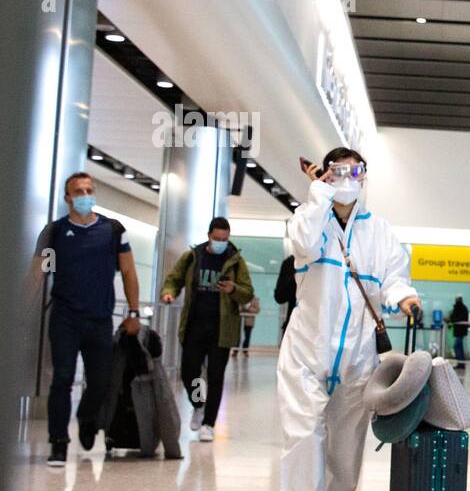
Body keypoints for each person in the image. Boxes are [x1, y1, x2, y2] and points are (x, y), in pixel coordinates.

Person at [278, 148, 421, 491]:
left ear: (365, 177)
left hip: (359, 356)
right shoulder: (310, 219)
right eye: (338, 171)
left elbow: (394, 276)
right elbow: (300, 242)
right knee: (303, 434)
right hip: (307, 348)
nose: (347, 178)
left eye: (355, 170)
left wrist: (405, 297)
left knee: (346, 443)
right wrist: (317, 194)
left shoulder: (379, 231)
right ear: (324, 176)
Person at [34, 172, 142, 465]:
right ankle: (58, 441)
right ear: (68, 198)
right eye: (78, 191)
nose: (84, 195)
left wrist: (134, 312)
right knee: (63, 379)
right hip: (65, 317)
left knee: (100, 381)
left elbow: (130, 272)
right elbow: (37, 274)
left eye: (89, 190)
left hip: (99, 319)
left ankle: (87, 416)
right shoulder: (55, 232)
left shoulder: (112, 230)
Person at [160, 217, 254, 441]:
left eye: (225, 239)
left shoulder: (235, 261)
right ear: (209, 236)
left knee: (215, 375)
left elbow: (247, 292)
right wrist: (169, 291)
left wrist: (233, 288)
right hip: (194, 324)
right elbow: (174, 278)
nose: (221, 242)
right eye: (217, 238)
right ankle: (198, 404)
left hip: (222, 327)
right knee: (189, 371)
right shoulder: (194, 256)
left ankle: (209, 424)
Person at [274, 254, 298, 341]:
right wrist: (295, 279)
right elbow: (279, 297)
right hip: (293, 330)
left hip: (321, 329)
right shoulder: (291, 262)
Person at [449, 295, 470, 370]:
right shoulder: (461, 308)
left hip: (460, 330)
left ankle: (461, 363)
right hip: (459, 330)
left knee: (456, 346)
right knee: (459, 347)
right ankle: (461, 363)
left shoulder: (461, 308)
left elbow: (457, 318)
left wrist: (451, 319)